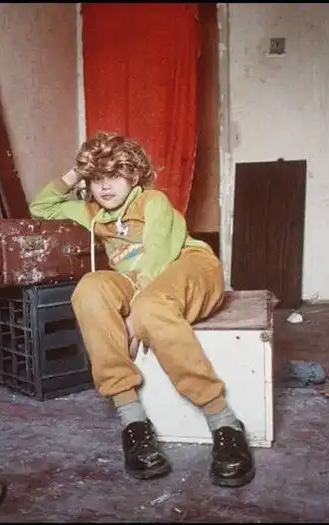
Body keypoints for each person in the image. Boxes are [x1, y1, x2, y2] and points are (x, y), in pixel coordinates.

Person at [29, 131, 255, 487]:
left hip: (188, 267)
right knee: (89, 289)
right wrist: (76, 173)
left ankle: (223, 421)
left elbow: (156, 259)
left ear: (133, 175)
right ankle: (133, 421)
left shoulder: (153, 201)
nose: (105, 186)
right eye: (97, 178)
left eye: (114, 175)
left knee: (150, 308)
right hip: (137, 283)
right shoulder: (92, 212)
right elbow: (41, 207)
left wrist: (133, 320)